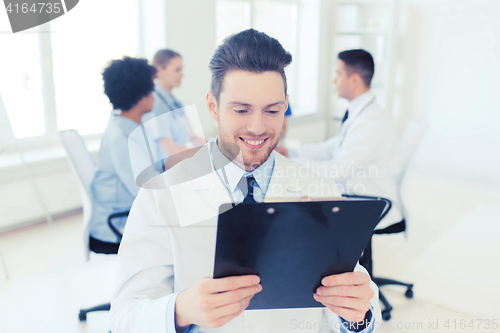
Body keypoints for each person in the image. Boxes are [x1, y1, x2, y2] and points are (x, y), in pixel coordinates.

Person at [110, 30, 381, 333]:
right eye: (241, 110)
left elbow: (358, 297)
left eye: (272, 110)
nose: (257, 127)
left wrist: (356, 316)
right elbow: (124, 317)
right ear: (213, 106)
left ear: (285, 106)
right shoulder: (160, 196)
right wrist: (180, 310)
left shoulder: (319, 191)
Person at [277, 49, 401, 229]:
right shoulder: (360, 111)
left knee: (298, 203)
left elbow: (337, 171)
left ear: (355, 80)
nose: (335, 81)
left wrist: (293, 164)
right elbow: (332, 147)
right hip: (356, 191)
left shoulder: (370, 121)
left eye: (338, 74)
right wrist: (291, 153)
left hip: (370, 200)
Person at [88, 57, 158, 250]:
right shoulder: (122, 136)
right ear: (141, 96)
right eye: (152, 89)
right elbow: (147, 191)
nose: (154, 95)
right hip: (115, 227)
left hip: (127, 215)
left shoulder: (126, 125)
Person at [142, 49, 206, 169]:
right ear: (159, 71)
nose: (182, 74)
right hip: (165, 170)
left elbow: (191, 136)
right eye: (177, 70)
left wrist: (216, 147)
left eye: (182, 69)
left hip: (179, 164)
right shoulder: (154, 103)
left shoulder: (176, 103)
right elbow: (169, 149)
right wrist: (207, 155)